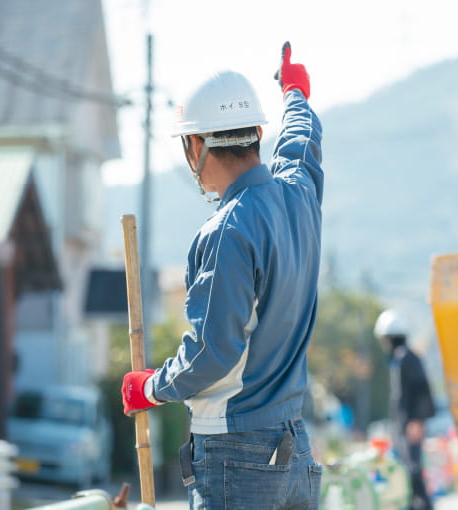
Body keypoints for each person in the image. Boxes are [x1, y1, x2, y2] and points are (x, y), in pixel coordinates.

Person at [121, 42, 323, 510]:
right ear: (258, 132)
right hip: (295, 447)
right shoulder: (300, 194)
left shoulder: (227, 230)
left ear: (196, 145)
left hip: (237, 452)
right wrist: (295, 94)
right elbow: (302, 138)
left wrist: (150, 387)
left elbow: (212, 352)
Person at [374, 309, 435, 510]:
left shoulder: (407, 358)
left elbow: (422, 389)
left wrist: (417, 420)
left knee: (413, 470)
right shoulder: (400, 359)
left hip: (410, 425)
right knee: (406, 470)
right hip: (402, 424)